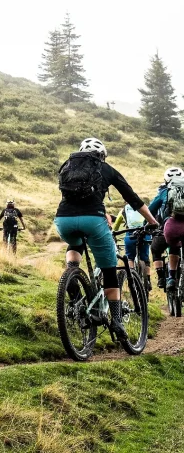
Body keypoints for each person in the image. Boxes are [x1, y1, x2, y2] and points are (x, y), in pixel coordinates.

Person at [55, 137, 157, 340]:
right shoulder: (106, 168)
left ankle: (72, 277)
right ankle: (117, 321)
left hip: (63, 220)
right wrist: (153, 222)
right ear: (102, 155)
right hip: (93, 220)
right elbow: (133, 199)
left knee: (75, 243)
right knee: (110, 270)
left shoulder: (67, 165)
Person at [148, 167, 183, 290]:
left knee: (156, 248)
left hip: (170, 228)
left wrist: (146, 224)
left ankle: (168, 278)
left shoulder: (164, 191)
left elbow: (151, 209)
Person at [113, 203, 152, 291]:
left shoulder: (124, 210)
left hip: (130, 235)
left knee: (130, 258)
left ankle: (132, 279)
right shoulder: (144, 208)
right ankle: (148, 280)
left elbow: (116, 225)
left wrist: (114, 232)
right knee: (146, 259)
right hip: (144, 235)